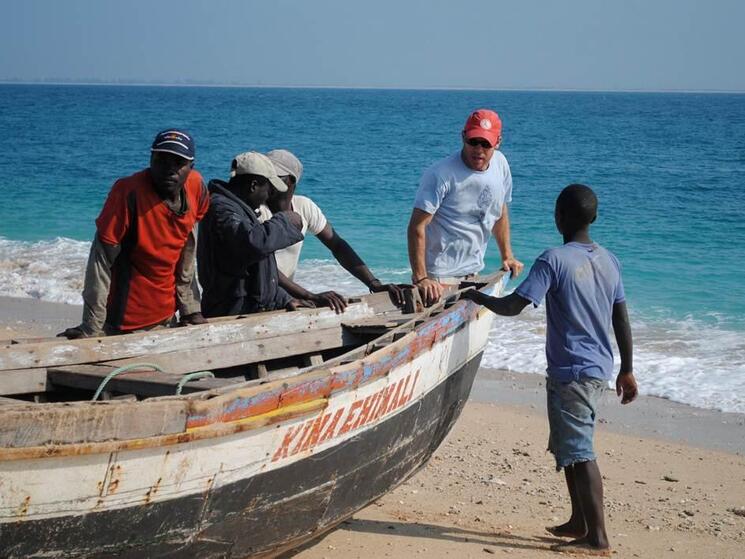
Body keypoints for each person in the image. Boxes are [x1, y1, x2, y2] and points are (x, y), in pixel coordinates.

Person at [462, 184, 637, 557]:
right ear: (594, 218)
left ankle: (598, 538)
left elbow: (515, 305)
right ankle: (578, 522)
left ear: (559, 217)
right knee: (567, 447)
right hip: (595, 367)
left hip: (572, 370)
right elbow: (620, 315)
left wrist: (476, 297)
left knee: (581, 450)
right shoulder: (609, 260)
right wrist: (627, 369)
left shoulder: (553, 260)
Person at [59, 129, 208, 339]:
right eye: (161, 160)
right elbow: (100, 263)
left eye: (178, 162)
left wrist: (190, 308)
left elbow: (188, 242)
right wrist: (91, 327)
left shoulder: (196, 187)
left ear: (190, 167)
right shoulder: (128, 193)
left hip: (167, 315)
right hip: (125, 323)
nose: (169, 169)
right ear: (151, 159)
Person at [260, 149, 405, 312]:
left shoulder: (304, 206)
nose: (268, 181)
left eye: (275, 176)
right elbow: (262, 266)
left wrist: (374, 284)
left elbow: (337, 245)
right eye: (266, 175)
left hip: (287, 299)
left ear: (291, 181)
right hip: (261, 298)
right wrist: (308, 295)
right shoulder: (257, 211)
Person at [408, 109, 524, 306]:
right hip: (438, 279)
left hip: (472, 274)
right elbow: (416, 226)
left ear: (497, 142)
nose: (479, 149)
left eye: (486, 144)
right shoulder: (440, 175)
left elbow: (500, 209)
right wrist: (421, 278)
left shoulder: (501, 165)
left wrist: (507, 255)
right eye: (473, 141)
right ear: (463, 137)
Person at [197, 151, 307, 318]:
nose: (269, 196)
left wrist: (285, 299)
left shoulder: (241, 211)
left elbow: (256, 272)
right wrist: (285, 222)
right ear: (254, 185)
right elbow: (252, 244)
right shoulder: (222, 210)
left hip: (244, 312)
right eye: (269, 189)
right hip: (228, 314)